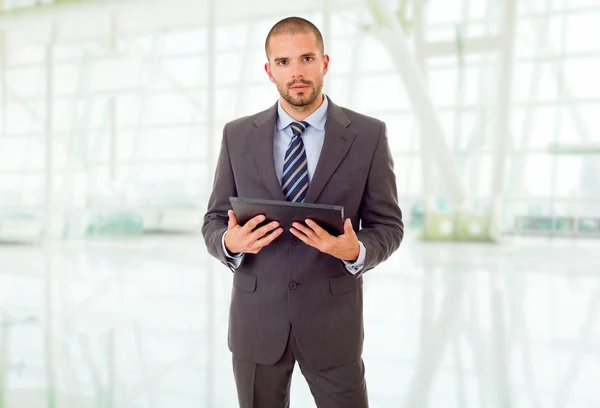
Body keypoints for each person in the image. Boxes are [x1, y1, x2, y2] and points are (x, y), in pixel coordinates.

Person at [202, 16, 404, 408]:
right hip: (257, 322)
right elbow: (213, 218)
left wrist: (356, 250)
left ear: (324, 63)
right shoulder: (237, 135)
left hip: (333, 325)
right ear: (269, 70)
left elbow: (388, 225)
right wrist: (228, 241)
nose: (296, 72)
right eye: (283, 62)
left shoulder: (368, 135)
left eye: (306, 58)